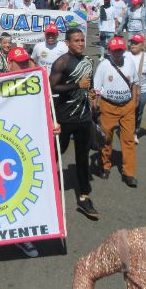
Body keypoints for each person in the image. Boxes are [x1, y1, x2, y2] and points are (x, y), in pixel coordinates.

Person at [49, 28, 99, 219]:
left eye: (82, 40)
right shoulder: (62, 62)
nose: (80, 43)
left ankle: (84, 196)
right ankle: (47, 185)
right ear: (67, 43)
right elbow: (52, 86)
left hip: (84, 117)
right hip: (64, 118)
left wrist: (92, 95)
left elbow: (89, 85)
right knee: (56, 153)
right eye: (76, 41)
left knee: (83, 157)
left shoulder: (88, 62)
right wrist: (76, 86)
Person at [93, 37, 139, 187]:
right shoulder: (104, 65)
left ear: (124, 50)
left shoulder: (130, 62)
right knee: (106, 138)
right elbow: (97, 89)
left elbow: (135, 83)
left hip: (127, 107)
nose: (118, 53)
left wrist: (134, 102)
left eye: (120, 50)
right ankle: (105, 166)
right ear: (109, 51)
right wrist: (95, 105)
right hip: (108, 106)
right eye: (115, 50)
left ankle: (129, 173)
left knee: (128, 140)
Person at [126, 34, 146, 143]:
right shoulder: (125, 55)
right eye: (132, 42)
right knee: (127, 111)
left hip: (143, 90)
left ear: (142, 45)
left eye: (136, 43)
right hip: (127, 90)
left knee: (138, 111)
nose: (133, 44)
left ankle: (135, 132)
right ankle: (126, 130)